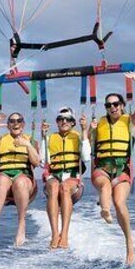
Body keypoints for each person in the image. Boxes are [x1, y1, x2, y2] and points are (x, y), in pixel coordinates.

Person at [90, 72, 135, 265]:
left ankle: (129, 244)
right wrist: (86, 129)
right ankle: (104, 210)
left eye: (116, 104)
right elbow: (87, 145)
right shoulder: (98, 124)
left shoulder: (130, 121)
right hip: (102, 168)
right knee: (105, 187)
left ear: (122, 106)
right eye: (108, 105)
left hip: (123, 169)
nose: (112, 107)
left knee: (120, 202)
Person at [0, 111, 40, 246]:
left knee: (20, 182)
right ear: (8, 125)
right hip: (4, 176)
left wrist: (27, 145)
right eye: (12, 121)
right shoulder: (1, 140)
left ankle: (21, 225)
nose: (16, 123)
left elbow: (36, 162)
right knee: (2, 180)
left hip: (23, 177)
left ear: (23, 124)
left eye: (19, 120)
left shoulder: (31, 141)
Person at [41, 107, 91, 250]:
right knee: (55, 187)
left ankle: (64, 234)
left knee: (64, 187)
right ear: (57, 122)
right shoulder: (50, 138)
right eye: (60, 119)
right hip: (54, 177)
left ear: (73, 122)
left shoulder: (78, 136)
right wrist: (43, 137)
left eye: (68, 119)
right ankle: (55, 234)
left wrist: (84, 132)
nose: (64, 121)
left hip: (72, 177)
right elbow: (42, 160)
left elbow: (86, 158)